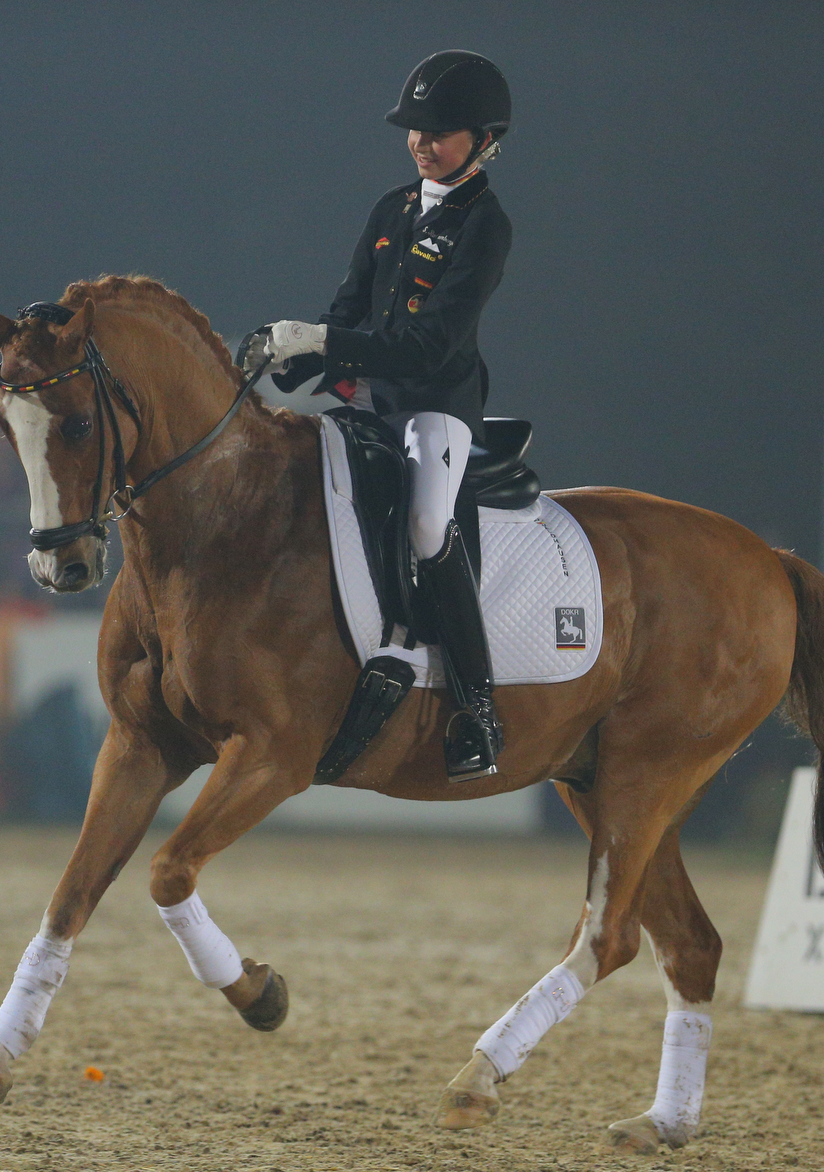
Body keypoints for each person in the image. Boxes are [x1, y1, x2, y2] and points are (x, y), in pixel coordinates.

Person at [242, 50, 514, 781]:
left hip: (433, 404)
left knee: (428, 525)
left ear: (484, 140)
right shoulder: (392, 208)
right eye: (416, 128)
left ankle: (478, 706)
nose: (423, 141)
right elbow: (346, 310)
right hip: (361, 396)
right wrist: (288, 358)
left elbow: (427, 345)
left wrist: (328, 342)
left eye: (441, 131)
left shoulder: (485, 225)